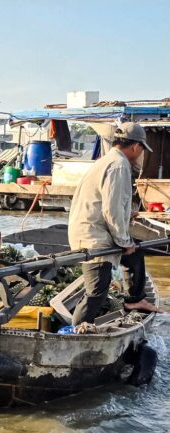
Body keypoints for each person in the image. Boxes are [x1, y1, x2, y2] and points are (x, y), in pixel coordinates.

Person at [69, 122, 161, 326]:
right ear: (136, 147)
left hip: (92, 229)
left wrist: (129, 215)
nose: (140, 155)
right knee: (96, 292)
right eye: (142, 150)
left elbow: (109, 203)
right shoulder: (119, 166)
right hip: (94, 236)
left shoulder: (108, 160)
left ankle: (134, 300)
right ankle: (77, 332)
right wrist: (123, 241)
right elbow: (112, 210)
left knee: (135, 253)